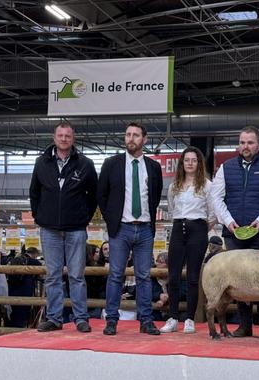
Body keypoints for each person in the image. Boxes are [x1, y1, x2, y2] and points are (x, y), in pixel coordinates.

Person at [29, 121, 98, 333]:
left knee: (77, 275)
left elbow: (93, 195)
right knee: (53, 275)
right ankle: (54, 318)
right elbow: (34, 192)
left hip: (76, 229)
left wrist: (83, 217)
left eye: (68, 136)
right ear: (54, 137)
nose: (64, 139)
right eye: (60, 135)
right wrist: (39, 216)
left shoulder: (85, 164)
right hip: (49, 229)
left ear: (73, 138)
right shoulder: (41, 163)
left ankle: (80, 318)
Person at [97, 122, 163, 336]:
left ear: (144, 139)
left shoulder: (153, 167)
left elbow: (155, 196)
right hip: (121, 228)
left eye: (136, 135)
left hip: (144, 228)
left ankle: (146, 320)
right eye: (128, 135)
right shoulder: (111, 163)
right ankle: (111, 320)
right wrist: (112, 220)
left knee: (144, 276)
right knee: (116, 275)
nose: (131, 139)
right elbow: (102, 196)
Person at [211, 125, 259, 338]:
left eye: (250, 142)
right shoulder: (225, 167)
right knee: (238, 279)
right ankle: (244, 325)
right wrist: (229, 222)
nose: (245, 146)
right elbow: (216, 198)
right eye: (242, 142)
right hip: (233, 234)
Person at [160, 147, 216, 334]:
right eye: (187, 160)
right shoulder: (174, 185)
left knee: (193, 277)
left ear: (199, 163)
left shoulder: (207, 185)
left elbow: (213, 212)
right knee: (173, 276)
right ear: (182, 163)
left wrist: (201, 229)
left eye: (194, 160)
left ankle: (189, 319)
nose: (190, 163)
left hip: (198, 228)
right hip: (178, 227)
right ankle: (173, 317)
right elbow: (171, 207)